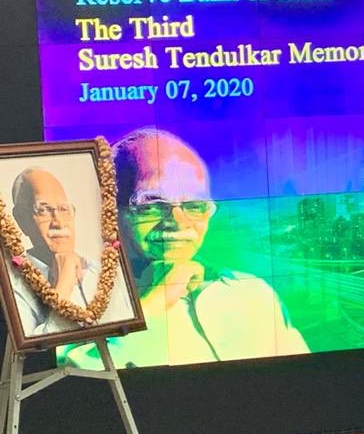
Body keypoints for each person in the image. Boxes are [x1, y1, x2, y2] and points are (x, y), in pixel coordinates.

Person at [60, 128, 308, 368]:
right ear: (110, 210)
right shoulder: (72, 301)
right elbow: (80, 381)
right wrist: (152, 306)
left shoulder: (254, 293)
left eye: (195, 206)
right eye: (152, 205)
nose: (178, 221)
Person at [10, 167, 134, 335]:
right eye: (44, 210)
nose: (59, 222)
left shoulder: (104, 272)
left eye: (63, 209)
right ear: (22, 219)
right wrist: (64, 286)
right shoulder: (15, 287)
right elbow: (37, 348)